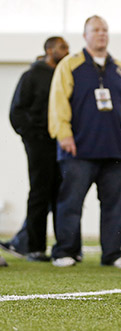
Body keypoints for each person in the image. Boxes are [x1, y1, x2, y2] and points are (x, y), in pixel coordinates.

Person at [48, 16, 121, 268]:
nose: (101, 34)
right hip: (78, 149)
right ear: (85, 35)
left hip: (115, 151)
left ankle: (112, 254)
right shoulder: (69, 65)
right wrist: (63, 133)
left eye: (105, 30)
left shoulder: (120, 68)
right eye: (95, 30)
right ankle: (66, 251)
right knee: (71, 202)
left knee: (115, 205)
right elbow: (57, 103)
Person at [8, 36, 69, 262]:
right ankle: (34, 247)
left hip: (59, 143)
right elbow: (16, 112)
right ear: (49, 50)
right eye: (63, 47)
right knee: (39, 192)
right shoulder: (31, 76)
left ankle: (64, 248)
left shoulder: (62, 76)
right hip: (38, 142)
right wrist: (32, 136)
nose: (67, 51)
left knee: (59, 193)